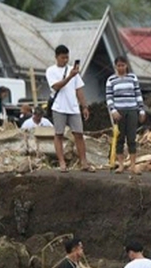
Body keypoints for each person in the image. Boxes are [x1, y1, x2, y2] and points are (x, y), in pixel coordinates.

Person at [46, 45, 93, 173]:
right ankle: (62, 162)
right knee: (59, 134)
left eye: (67, 57)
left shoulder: (73, 70)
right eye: (62, 57)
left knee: (79, 134)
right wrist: (69, 77)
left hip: (73, 107)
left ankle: (84, 162)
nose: (65, 60)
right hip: (59, 107)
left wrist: (84, 106)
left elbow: (79, 90)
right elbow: (56, 86)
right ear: (56, 57)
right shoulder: (51, 71)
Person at [106, 56, 145, 175]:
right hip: (119, 111)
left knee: (132, 138)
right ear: (115, 66)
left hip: (132, 110)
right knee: (119, 138)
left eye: (123, 65)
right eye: (119, 66)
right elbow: (109, 96)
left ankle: (133, 165)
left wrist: (141, 110)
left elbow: (138, 94)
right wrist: (113, 110)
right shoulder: (111, 80)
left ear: (126, 65)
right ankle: (121, 165)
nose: (121, 68)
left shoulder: (132, 78)